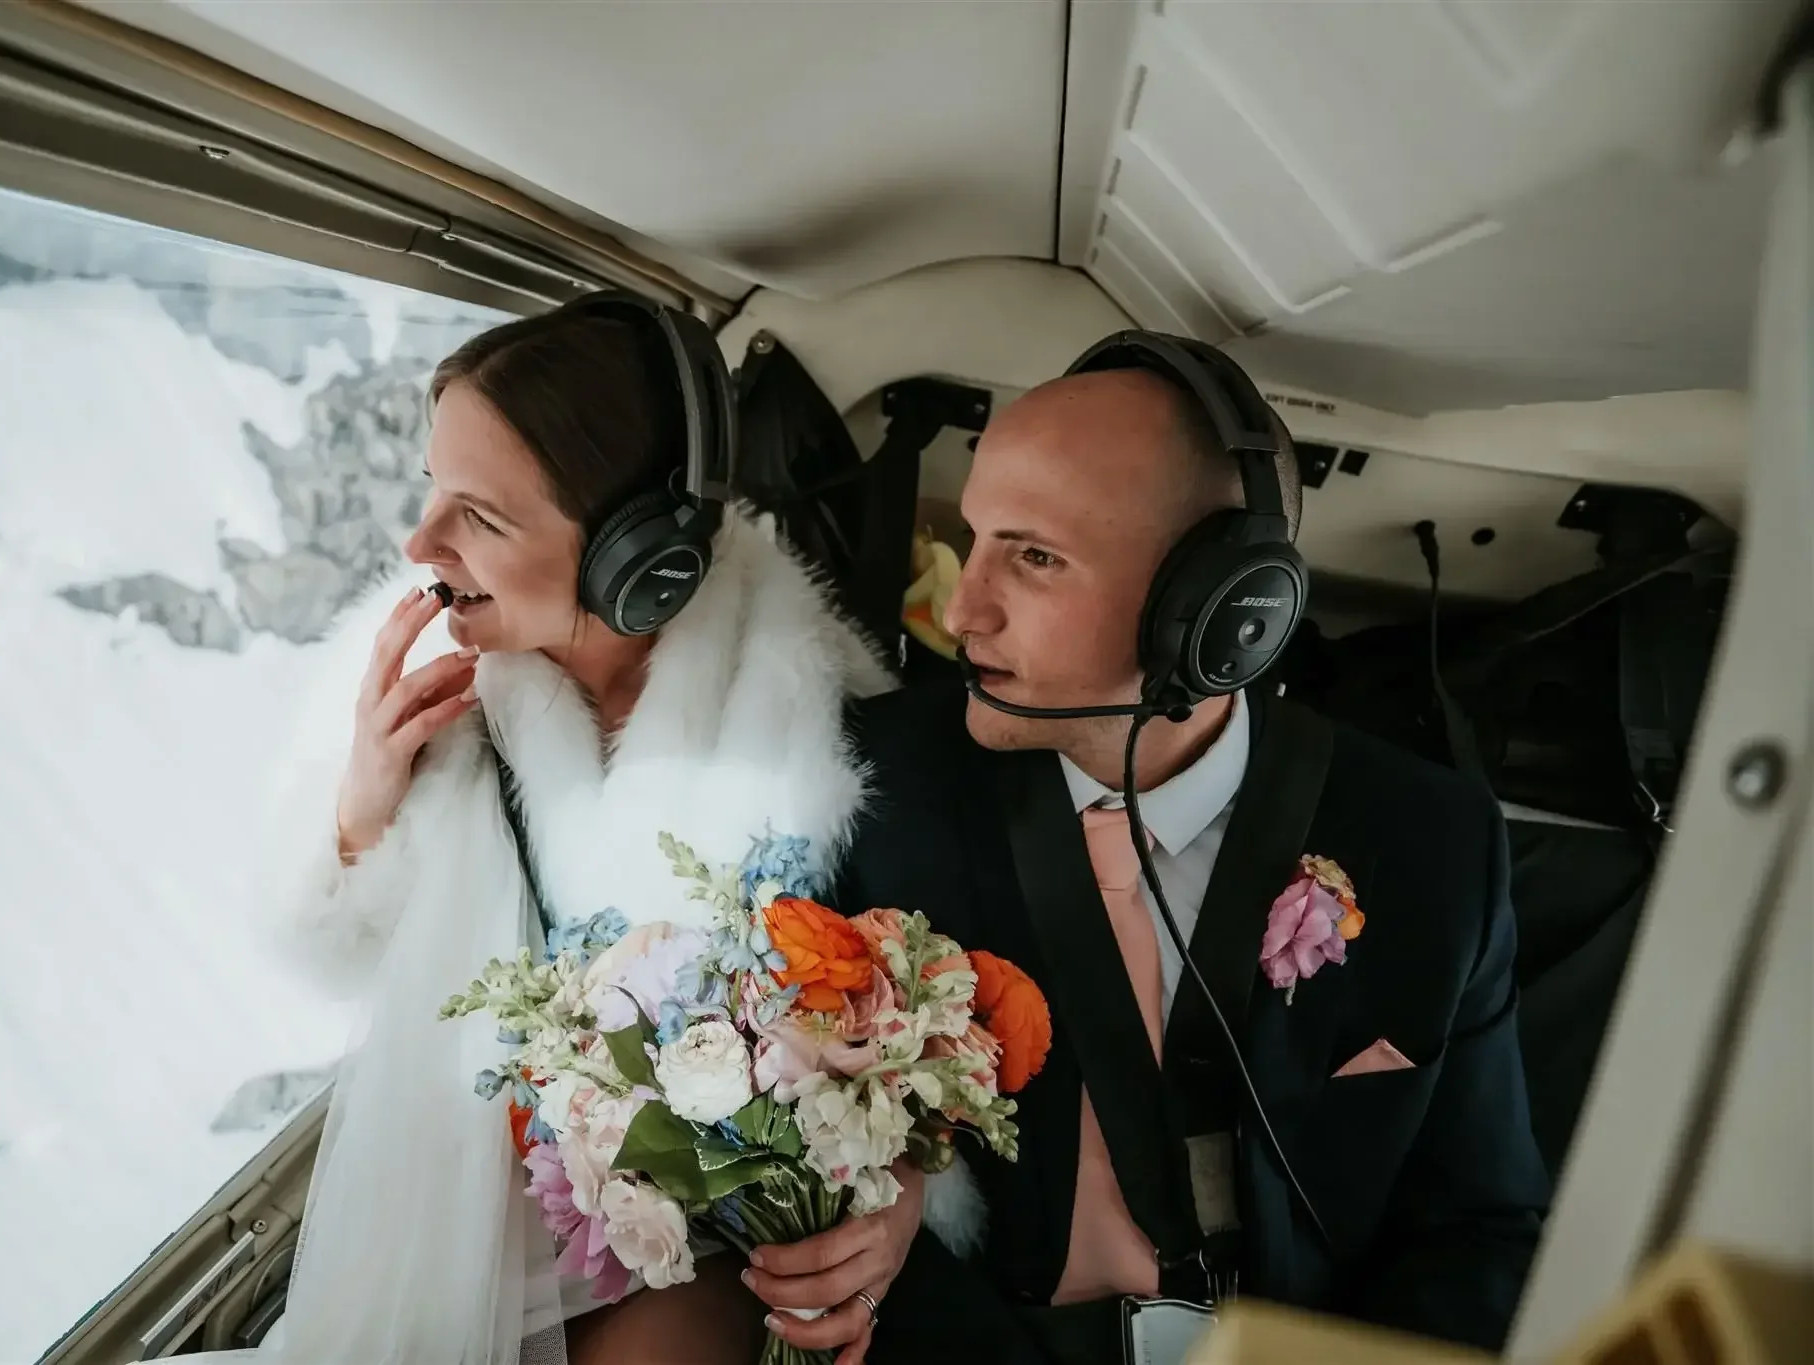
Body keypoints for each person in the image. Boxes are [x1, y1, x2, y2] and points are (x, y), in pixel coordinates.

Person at [747, 332, 1551, 1363]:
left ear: (1218, 615)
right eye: (977, 537)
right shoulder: (867, 788)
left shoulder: (1429, 841)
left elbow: (1475, 1231)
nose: (961, 609)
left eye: (1033, 558)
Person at [218, 295, 899, 1365]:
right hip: (468, 1220)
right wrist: (360, 814)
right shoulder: (420, 706)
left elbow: (911, 1066)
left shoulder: (838, 748)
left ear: (644, 556)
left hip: (711, 1249)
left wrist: (889, 1212)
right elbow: (333, 958)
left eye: (480, 518)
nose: (418, 541)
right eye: (431, 490)